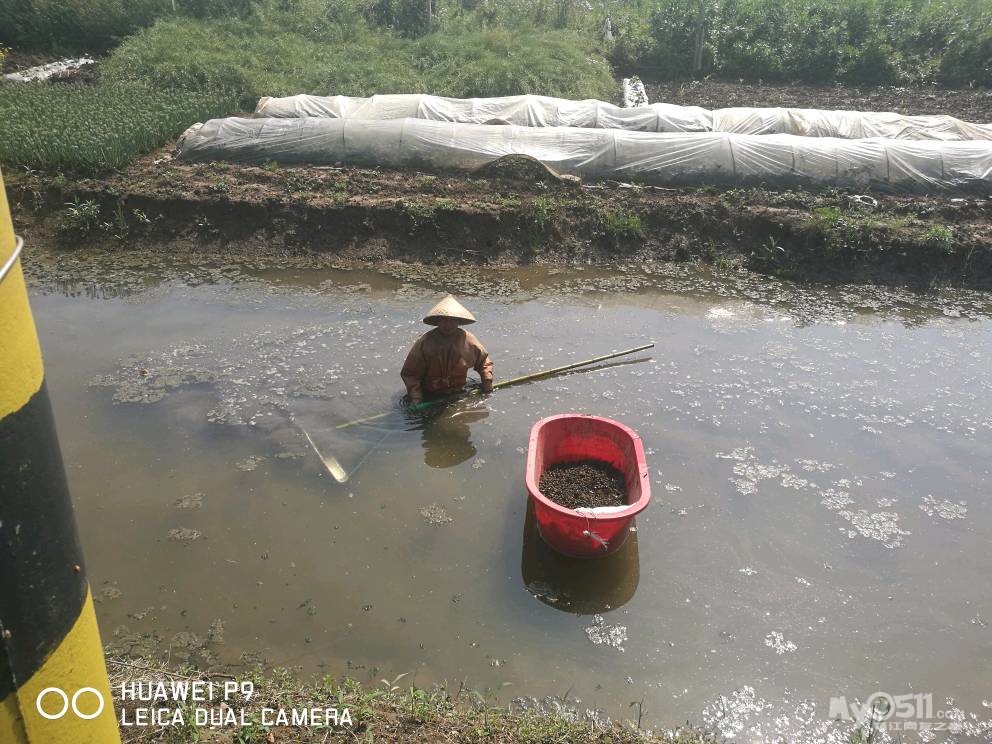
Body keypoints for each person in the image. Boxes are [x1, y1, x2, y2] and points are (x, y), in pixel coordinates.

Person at [401, 295, 494, 406]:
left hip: (458, 391)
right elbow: (411, 374)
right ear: (438, 321)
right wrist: (416, 397)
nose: (448, 325)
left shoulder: (468, 340)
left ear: (458, 321)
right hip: (430, 393)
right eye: (444, 320)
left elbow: (484, 361)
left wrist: (487, 381)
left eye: (453, 321)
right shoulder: (425, 342)